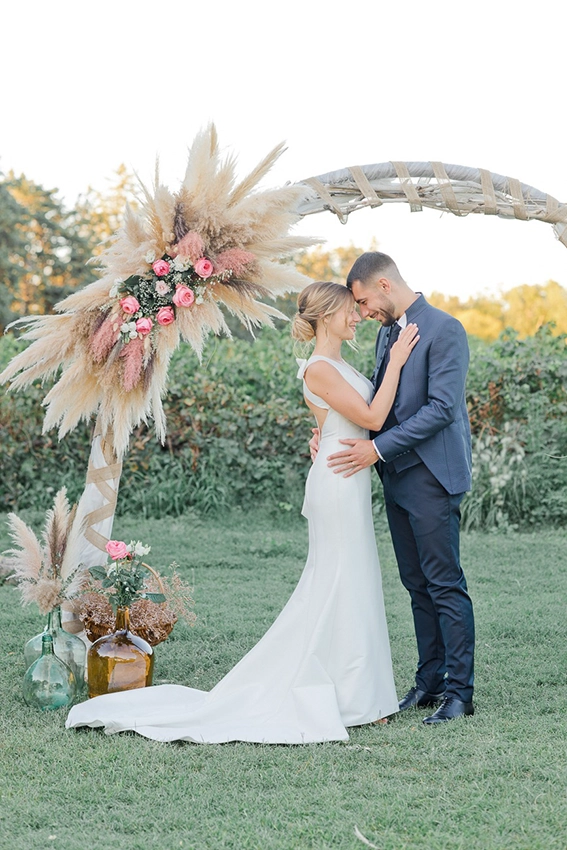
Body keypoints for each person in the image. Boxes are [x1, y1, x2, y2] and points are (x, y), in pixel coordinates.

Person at [66, 281, 418, 744]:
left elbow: (348, 419)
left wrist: (324, 432)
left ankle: (358, 694)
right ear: (328, 315)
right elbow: (372, 418)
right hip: (336, 483)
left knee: (355, 579)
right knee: (340, 578)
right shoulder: (317, 368)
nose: (358, 318)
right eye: (351, 311)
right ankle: (353, 699)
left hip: (347, 477)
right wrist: (395, 363)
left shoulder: (339, 364)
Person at [321, 252, 475, 724]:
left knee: (444, 583)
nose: (363, 313)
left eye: (364, 301)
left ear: (384, 285)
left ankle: (460, 693)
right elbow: (377, 400)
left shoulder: (445, 329)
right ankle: (428, 681)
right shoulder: (389, 332)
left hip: (432, 475)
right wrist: (329, 430)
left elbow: (441, 409)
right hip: (397, 477)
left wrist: (376, 449)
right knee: (415, 584)